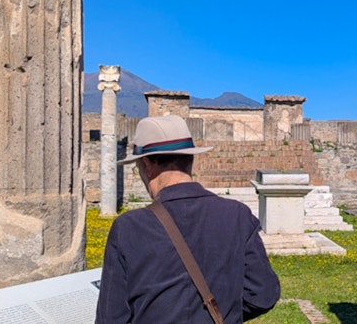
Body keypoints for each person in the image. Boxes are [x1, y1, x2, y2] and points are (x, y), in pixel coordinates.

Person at [95, 115, 280, 323]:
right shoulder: (237, 215)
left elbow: (110, 318)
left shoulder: (128, 228)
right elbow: (263, 295)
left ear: (147, 164)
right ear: (190, 159)